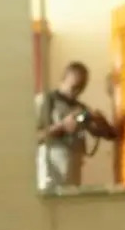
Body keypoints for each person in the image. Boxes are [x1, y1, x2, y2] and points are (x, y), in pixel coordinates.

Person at [36, 61, 118, 189]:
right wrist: (62, 126)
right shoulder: (45, 101)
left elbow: (111, 135)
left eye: (82, 87)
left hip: (73, 177)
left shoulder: (80, 108)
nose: (77, 92)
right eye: (74, 87)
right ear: (63, 80)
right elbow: (32, 138)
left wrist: (101, 121)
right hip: (50, 176)